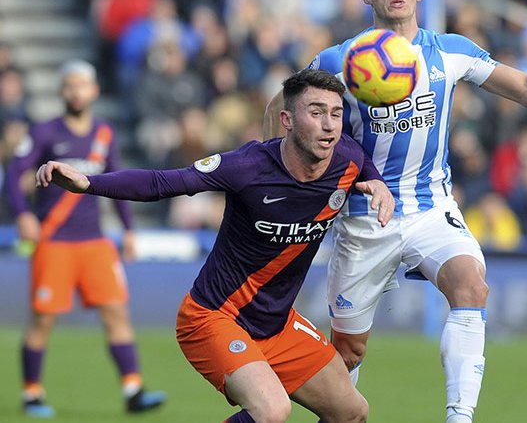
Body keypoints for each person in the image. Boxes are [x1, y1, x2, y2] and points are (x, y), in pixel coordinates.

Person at [263, 0, 527, 423]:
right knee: (347, 354)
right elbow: (282, 109)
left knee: (471, 285)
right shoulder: (339, 60)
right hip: (365, 218)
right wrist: (273, 168)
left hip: (431, 207)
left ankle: (459, 416)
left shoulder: (450, 51)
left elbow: (524, 87)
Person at [36, 69, 394, 423]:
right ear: (287, 119)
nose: (330, 125)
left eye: (335, 113)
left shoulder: (346, 156)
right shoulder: (247, 166)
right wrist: (88, 183)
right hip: (213, 318)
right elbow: (163, 181)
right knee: (272, 411)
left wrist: (377, 183)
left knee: (352, 413)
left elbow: (363, 162)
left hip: (277, 325)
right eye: (316, 113)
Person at [2, 60, 166, 418]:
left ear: (94, 91)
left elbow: (119, 180)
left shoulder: (104, 133)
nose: (76, 92)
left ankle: (133, 390)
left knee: (116, 312)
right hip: (54, 241)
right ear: (62, 91)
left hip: (95, 241)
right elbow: (13, 175)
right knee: (43, 319)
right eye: (70, 86)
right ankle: (32, 393)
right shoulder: (44, 133)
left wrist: (128, 229)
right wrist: (25, 214)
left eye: (83, 85)